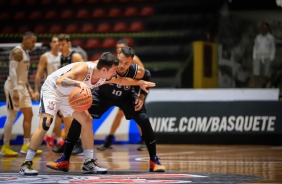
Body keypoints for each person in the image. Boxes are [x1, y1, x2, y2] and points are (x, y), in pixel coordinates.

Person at [19, 51, 155, 176]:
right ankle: (26, 164)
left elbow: (121, 80)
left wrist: (139, 83)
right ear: (103, 69)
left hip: (70, 95)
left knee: (87, 120)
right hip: (53, 90)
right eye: (113, 70)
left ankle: (88, 163)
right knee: (45, 123)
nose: (115, 73)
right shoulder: (84, 69)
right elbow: (60, 81)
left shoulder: (106, 76)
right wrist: (79, 84)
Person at [97, 39, 146, 151]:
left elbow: (143, 74)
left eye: (120, 47)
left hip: (132, 90)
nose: (118, 49)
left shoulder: (134, 59)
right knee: (120, 115)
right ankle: (109, 140)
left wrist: (140, 95)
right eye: (117, 48)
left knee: (137, 115)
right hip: (121, 89)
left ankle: (144, 140)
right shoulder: (117, 59)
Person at [0, 32, 43, 157]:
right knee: (12, 115)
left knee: (28, 114)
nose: (34, 44)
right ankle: (5, 147)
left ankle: (26, 145)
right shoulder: (17, 52)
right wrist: (14, 90)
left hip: (22, 86)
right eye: (32, 41)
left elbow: (22, 74)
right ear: (25, 39)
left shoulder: (26, 52)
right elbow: (12, 72)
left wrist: (28, 88)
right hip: (14, 87)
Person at [51, 33, 85, 155]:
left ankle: (78, 144)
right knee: (66, 118)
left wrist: (78, 90)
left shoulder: (75, 56)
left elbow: (85, 72)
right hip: (66, 92)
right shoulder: (62, 57)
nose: (60, 46)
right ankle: (68, 143)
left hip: (75, 91)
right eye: (59, 44)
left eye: (63, 44)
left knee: (74, 119)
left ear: (69, 44)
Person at [33, 35, 66, 150]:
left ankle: (54, 137)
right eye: (54, 42)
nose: (57, 44)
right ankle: (52, 138)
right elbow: (39, 73)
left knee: (60, 116)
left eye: (58, 42)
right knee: (51, 116)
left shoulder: (64, 56)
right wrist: (36, 89)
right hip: (50, 89)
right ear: (51, 44)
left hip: (62, 88)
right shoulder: (45, 56)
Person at [250, 22, 276, 88]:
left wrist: (271, 57)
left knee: (267, 73)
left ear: (267, 29)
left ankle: (267, 86)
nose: (263, 29)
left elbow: (273, 48)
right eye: (262, 28)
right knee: (256, 72)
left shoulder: (271, 38)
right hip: (258, 56)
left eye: (265, 28)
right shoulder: (258, 37)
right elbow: (255, 46)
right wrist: (254, 56)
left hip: (267, 56)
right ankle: (253, 86)